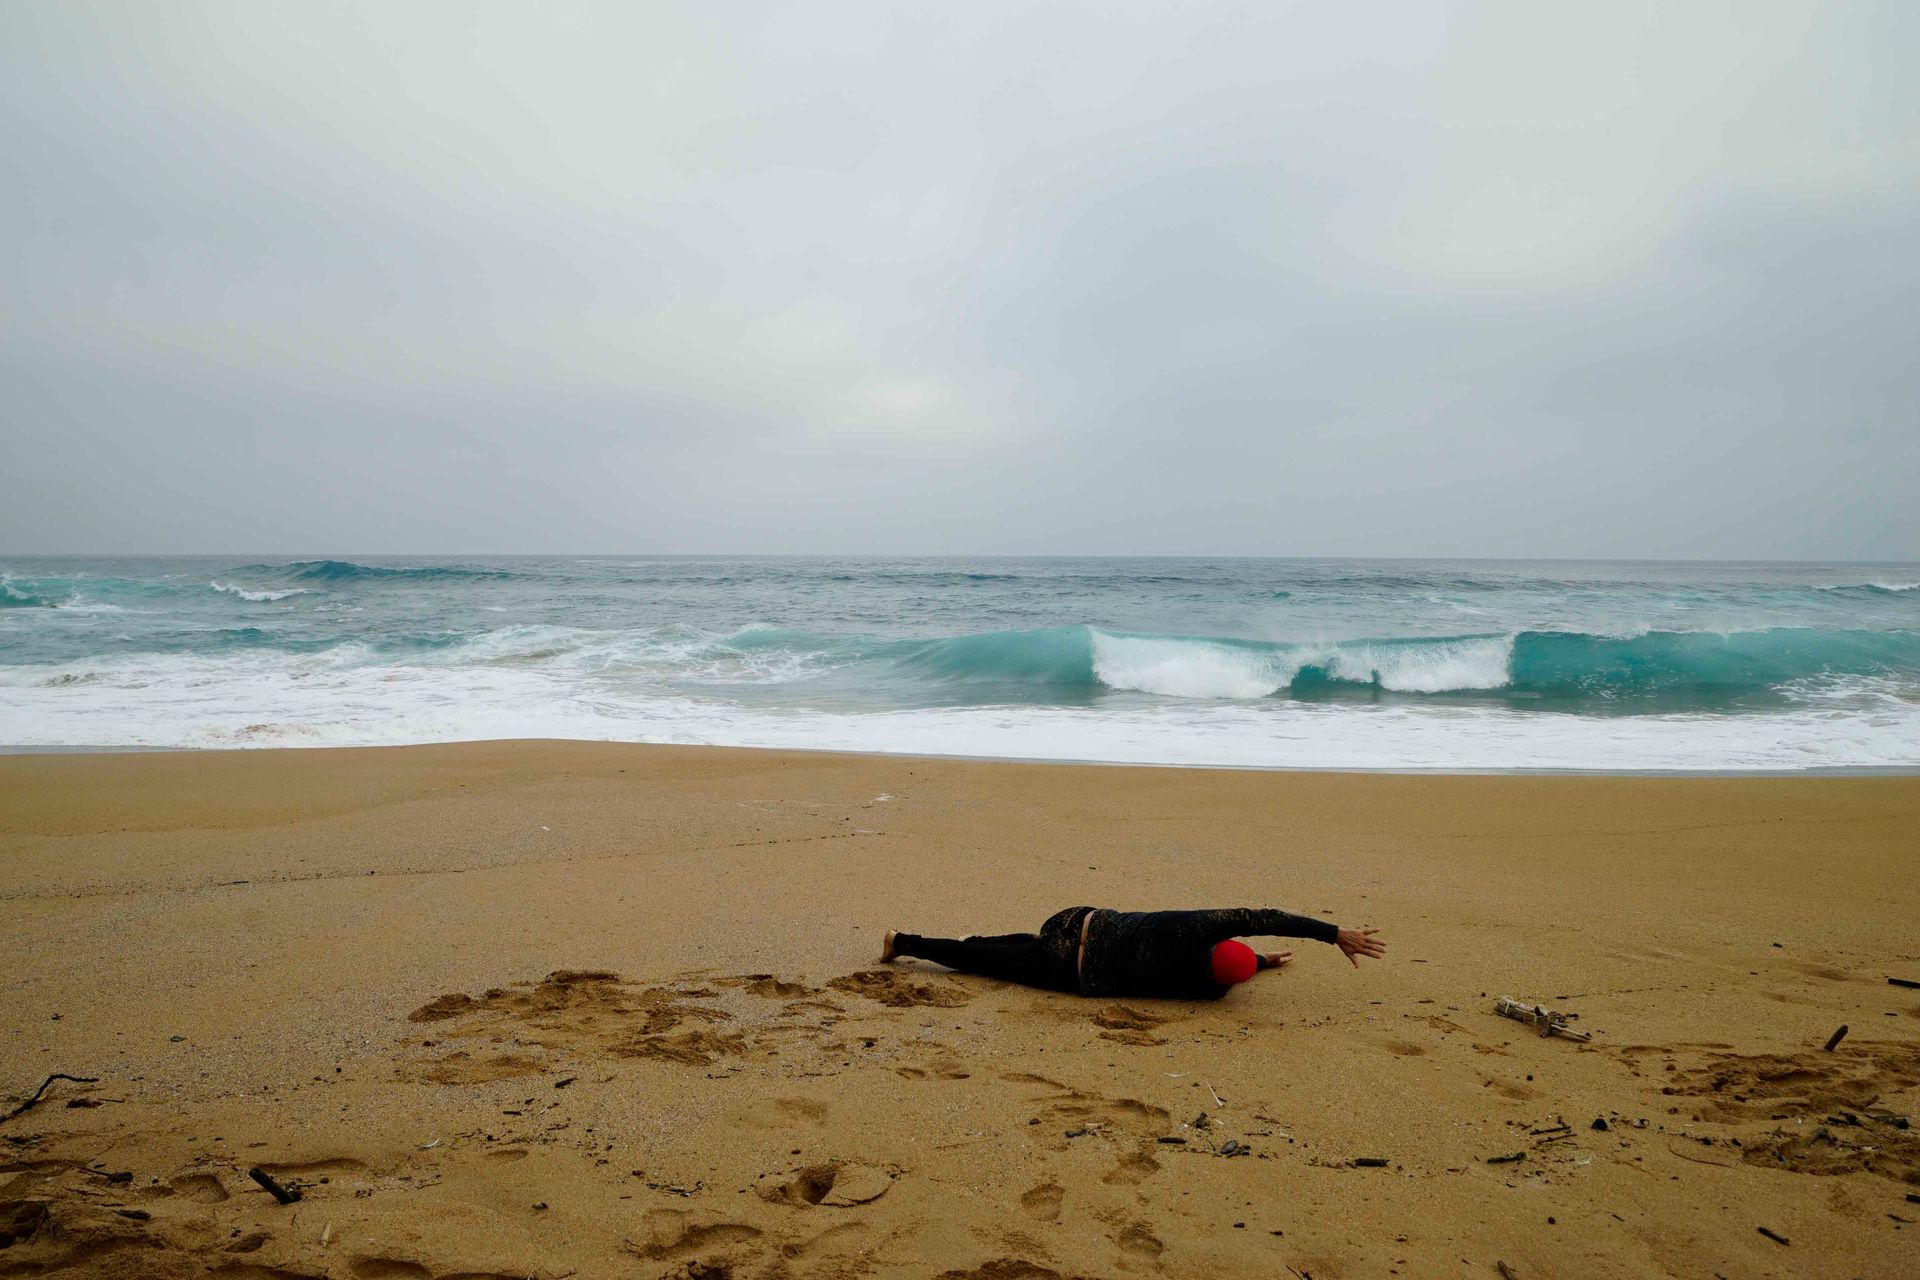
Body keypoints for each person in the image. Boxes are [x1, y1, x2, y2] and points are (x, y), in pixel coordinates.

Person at [881, 905, 1385, 1000]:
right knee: (991, 962)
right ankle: (903, 942)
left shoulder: (1204, 928)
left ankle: (966, 941)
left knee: (1024, 943)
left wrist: (1332, 932)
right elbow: (1226, 970)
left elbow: (1263, 918)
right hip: (1071, 971)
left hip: (1080, 920)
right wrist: (1258, 965)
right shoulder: (1201, 991)